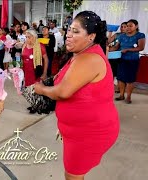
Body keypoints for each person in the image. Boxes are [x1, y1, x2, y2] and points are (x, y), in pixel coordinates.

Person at [34, 11, 119, 180]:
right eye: (69, 29)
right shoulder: (80, 55)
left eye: (76, 31)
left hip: (89, 133)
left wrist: (41, 90)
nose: (69, 35)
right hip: (78, 130)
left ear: (91, 36)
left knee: (73, 176)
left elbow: (63, 92)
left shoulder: (89, 59)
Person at [110, 19, 146, 104]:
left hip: (132, 60)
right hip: (121, 60)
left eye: (131, 26)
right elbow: (115, 47)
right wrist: (107, 50)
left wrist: (127, 49)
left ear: (136, 26)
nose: (128, 28)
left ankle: (128, 97)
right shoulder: (121, 36)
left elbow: (141, 48)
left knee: (130, 80)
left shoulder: (140, 35)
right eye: (127, 26)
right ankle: (121, 95)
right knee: (121, 78)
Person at [107, 22, 127, 93]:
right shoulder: (117, 34)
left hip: (120, 56)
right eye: (122, 27)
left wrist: (110, 49)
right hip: (112, 56)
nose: (123, 28)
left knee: (119, 73)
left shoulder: (127, 36)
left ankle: (119, 88)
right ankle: (109, 88)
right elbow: (109, 41)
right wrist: (110, 32)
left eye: (125, 27)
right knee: (111, 72)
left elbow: (116, 47)